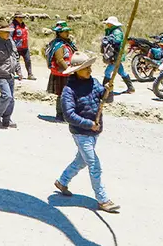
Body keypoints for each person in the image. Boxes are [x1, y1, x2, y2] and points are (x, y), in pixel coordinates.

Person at [54, 51, 120, 214]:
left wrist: (108, 91)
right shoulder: (69, 90)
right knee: (94, 164)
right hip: (81, 133)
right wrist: (89, 124)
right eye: (86, 68)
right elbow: (69, 115)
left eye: (89, 67)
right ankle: (103, 200)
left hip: (94, 131)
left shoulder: (94, 82)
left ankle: (62, 181)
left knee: (81, 161)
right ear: (76, 70)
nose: (90, 70)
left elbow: (106, 99)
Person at [46, 22, 77, 122]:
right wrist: (69, 70)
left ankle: (66, 114)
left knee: (67, 94)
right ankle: (60, 115)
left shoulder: (67, 43)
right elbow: (60, 60)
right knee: (63, 94)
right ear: (59, 33)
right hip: (62, 74)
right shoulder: (59, 45)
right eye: (65, 31)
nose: (67, 33)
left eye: (68, 31)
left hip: (67, 72)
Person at [101, 16, 135, 100]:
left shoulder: (116, 32)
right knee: (121, 71)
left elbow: (117, 43)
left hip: (116, 55)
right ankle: (130, 88)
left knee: (107, 72)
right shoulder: (112, 31)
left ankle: (104, 90)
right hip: (115, 55)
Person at [12, 13, 35, 80]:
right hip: (16, 47)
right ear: (16, 18)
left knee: (28, 60)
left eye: (22, 17)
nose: (21, 18)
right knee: (16, 61)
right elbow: (10, 36)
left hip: (25, 46)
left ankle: (30, 74)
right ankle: (18, 74)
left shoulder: (23, 25)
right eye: (19, 17)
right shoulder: (13, 25)